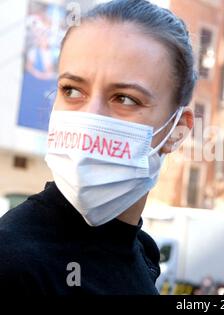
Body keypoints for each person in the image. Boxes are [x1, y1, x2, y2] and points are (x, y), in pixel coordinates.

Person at [0, 0, 196, 294]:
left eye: (125, 98)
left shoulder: (143, 255)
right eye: (72, 90)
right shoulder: (11, 260)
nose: (90, 117)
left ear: (177, 131)